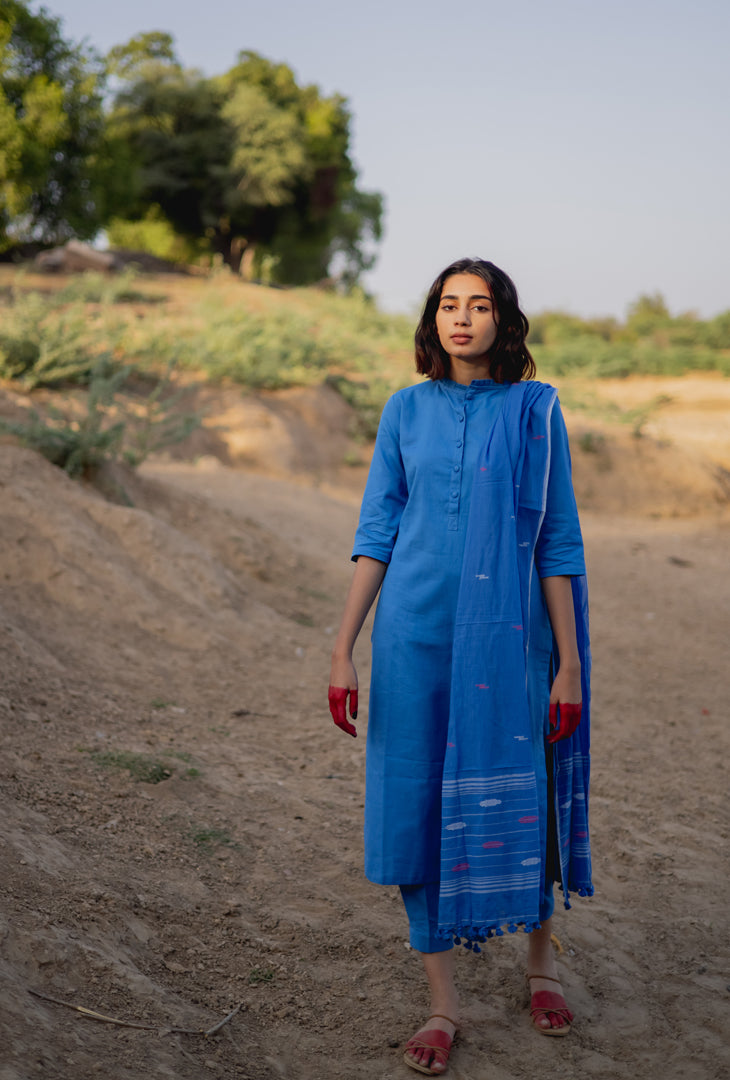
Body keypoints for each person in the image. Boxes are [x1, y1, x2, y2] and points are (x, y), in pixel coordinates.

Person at [328, 257, 592, 1076]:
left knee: (529, 783)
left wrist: (569, 665)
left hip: (510, 637)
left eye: (480, 305)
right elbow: (378, 532)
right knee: (416, 799)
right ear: (432, 319)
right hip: (413, 637)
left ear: (503, 320)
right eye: (449, 304)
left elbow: (556, 542)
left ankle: (540, 964)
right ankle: (443, 1003)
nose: (463, 318)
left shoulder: (536, 411)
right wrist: (343, 648)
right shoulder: (404, 411)